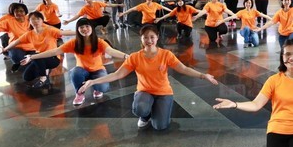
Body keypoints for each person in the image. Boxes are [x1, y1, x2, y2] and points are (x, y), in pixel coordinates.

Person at [80, 25, 218, 130]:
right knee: (140, 108)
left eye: (152, 37)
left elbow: (183, 68)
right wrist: (93, 81)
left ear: (157, 38)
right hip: (144, 91)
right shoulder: (135, 57)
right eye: (145, 37)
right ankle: (145, 115)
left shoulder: (166, 55)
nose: (149, 40)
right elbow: (117, 74)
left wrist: (203, 75)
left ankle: (156, 111)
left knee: (160, 126)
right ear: (141, 39)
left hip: (164, 92)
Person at [23, 18, 129, 105]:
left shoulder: (99, 42)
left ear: (91, 28)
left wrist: (125, 56)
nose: (84, 29)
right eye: (81, 27)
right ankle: (79, 93)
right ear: (78, 30)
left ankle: (96, 87)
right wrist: (32, 57)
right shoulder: (74, 43)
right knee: (75, 72)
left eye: (87, 26)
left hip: (97, 70)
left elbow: (111, 51)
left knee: (103, 87)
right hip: (82, 70)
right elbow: (55, 51)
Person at [0, 11, 74, 88]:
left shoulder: (50, 30)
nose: (35, 21)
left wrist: (80, 32)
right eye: (32, 19)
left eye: (38, 19)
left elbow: (64, 33)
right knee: (27, 77)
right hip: (39, 58)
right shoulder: (29, 34)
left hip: (53, 59)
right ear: (29, 22)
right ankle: (44, 69)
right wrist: (4, 49)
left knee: (36, 56)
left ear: (42, 20)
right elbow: (15, 42)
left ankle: (43, 78)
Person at [0, 3, 34, 72]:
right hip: (16, 46)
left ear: (25, 12)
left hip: (31, 46)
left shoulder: (30, 19)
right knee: (17, 57)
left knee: (38, 58)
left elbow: (44, 26)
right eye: (16, 11)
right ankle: (17, 62)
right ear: (13, 12)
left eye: (21, 11)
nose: (19, 13)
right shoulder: (8, 21)